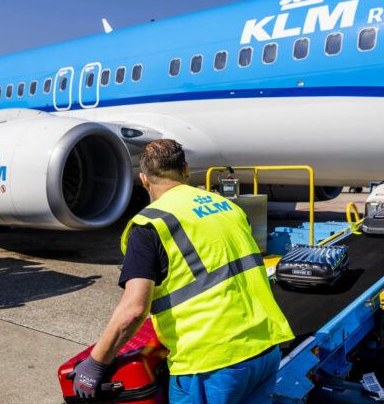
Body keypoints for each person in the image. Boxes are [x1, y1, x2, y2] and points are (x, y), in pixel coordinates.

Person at [72, 139, 295, 403]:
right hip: (266, 348)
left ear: (144, 179)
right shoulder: (230, 208)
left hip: (212, 363)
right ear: (186, 170)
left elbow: (133, 310)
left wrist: (96, 363)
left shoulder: (150, 225)